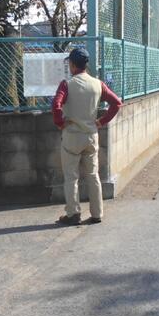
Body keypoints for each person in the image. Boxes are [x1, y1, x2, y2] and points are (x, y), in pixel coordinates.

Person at [52, 48, 122, 226]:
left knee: (71, 177)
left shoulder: (66, 84)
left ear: (72, 64)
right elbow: (116, 103)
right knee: (93, 175)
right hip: (91, 136)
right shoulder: (98, 84)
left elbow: (56, 104)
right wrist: (101, 121)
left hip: (72, 137)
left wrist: (60, 123)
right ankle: (97, 213)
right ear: (86, 64)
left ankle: (73, 214)